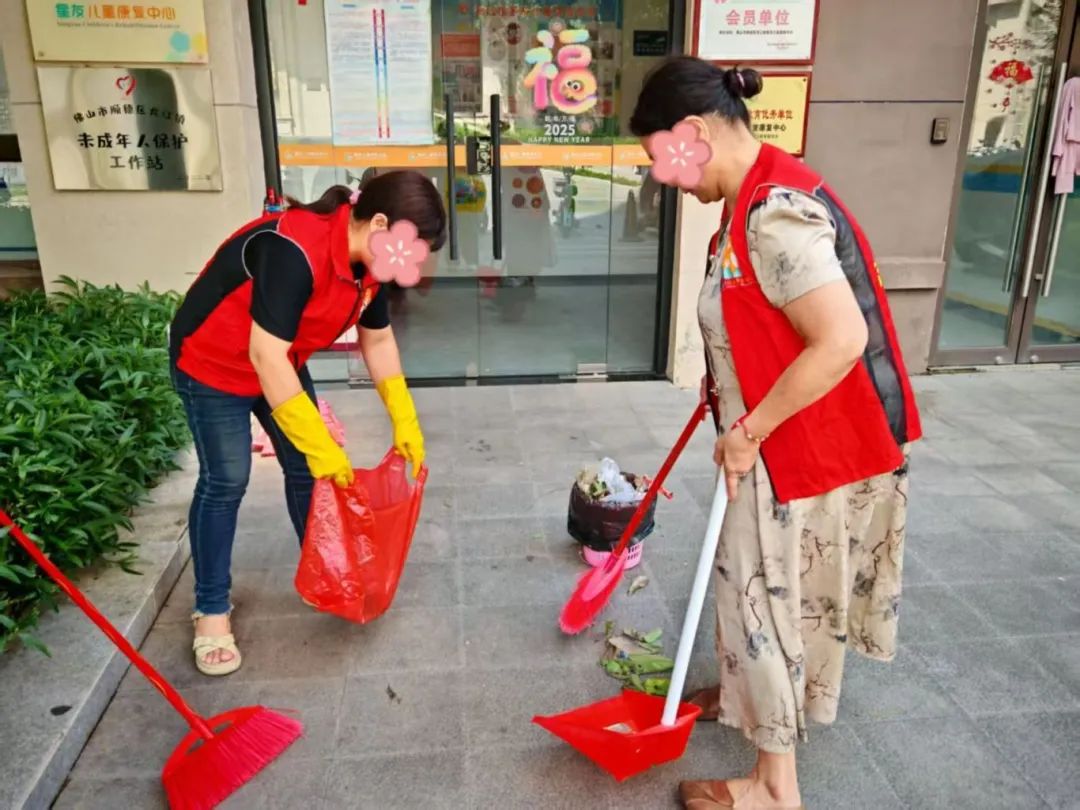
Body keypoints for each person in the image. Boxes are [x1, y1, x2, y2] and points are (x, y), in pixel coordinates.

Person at [630, 58, 922, 809]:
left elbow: (841, 338)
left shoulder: (774, 215)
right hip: (790, 440)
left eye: (660, 156)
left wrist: (749, 428)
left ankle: (772, 787)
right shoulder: (753, 196)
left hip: (798, 451)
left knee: (759, 600)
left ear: (692, 132)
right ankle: (752, 696)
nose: (663, 177)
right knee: (766, 597)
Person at [169, 170, 446, 676]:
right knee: (226, 480)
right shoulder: (294, 249)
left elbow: (377, 339)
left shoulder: (371, 266)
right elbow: (264, 354)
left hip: (281, 361)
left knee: (307, 471)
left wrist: (404, 419)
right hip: (213, 364)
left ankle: (325, 569)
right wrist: (321, 444)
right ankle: (211, 608)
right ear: (379, 224)